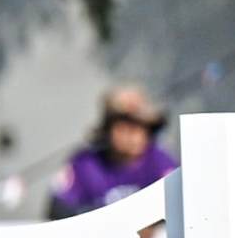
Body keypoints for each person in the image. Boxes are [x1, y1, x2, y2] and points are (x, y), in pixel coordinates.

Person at [46, 86, 177, 218]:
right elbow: (58, 209)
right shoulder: (84, 164)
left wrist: (151, 222)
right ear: (108, 129)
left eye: (142, 126)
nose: (134, 135)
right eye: (124, 125)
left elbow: (180, 201)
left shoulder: (161, 161)